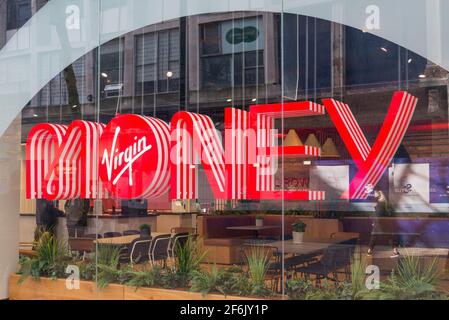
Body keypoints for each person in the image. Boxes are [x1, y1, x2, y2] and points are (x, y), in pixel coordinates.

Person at [367, 190, 400, 258]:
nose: (374, 194)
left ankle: (369, 251)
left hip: (380, 223)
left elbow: (379, 215)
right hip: (385, 223)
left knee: (374, 236)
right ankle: (395, 251)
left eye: (375, 193)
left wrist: (375, 222)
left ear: (379, 194)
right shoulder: (384, 202)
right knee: (389, 237)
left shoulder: (380, 203)